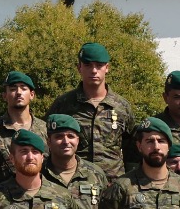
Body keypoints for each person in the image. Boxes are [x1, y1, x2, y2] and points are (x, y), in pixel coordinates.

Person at [47, 43, 135, 179]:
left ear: (107, 68)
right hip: (76, 183)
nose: (94, 71)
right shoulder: (64, 104)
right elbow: (48, 141)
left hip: (113, 184)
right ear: (79, 68)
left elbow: (132, 150)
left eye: (99, 65)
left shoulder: (121, 106)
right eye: (88, 65)